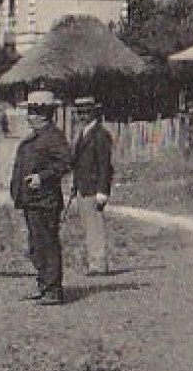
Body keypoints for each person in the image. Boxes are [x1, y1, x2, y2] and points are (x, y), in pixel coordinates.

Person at [10, 92, 73, 306]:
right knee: (37, 245)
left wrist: (42, 177)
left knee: (47, 243)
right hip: (32, 200)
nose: (28, 116)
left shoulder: (53, 136)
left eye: (32, 112)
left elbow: (65, 163)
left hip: (45, 201)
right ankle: (44, 285)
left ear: (43, 114)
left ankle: (53, 291)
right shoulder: (36, 136)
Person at [69, 97, 115, 275]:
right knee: (88, 226)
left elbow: (105, 165)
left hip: (94, 187)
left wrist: (103, 191)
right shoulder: (82, 134)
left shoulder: (100, 135)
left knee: (96, 225)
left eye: (86, 112)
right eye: (80, 112)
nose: (83, 116)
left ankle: (99, 263)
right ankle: (92, 262)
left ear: (94, 112)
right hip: (82, 186)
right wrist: (75, 184)